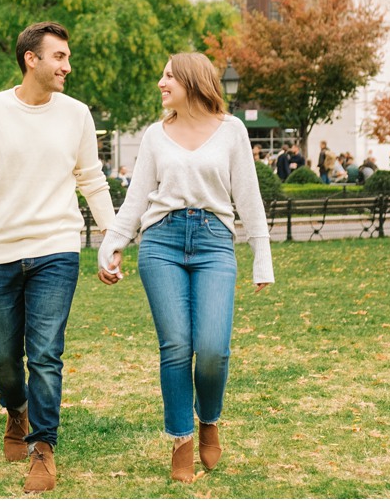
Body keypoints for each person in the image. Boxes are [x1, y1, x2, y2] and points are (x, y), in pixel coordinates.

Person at [0, 21, 117, 494]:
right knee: (1, 355)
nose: (67, 66)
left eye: (67, 57)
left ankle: (43, 448)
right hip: (0, 252)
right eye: (60, 57)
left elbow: (92, 180)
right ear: (32, 59)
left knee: (45, 353)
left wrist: (111, 237)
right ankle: (16, 410)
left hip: (57, 249)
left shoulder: (77, 115)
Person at [98, 53, 273, 483]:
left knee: (212, 349)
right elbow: (138, 197)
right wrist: (113, 243)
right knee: (176, 346)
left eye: (169, 76)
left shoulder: (231, 131)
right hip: (161, 242)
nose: (161, 82)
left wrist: (261, 256)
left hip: (214, 242)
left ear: (193, 81)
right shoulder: (155, 135)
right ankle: (181, 440)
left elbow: (248, 196)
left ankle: (208, 418)